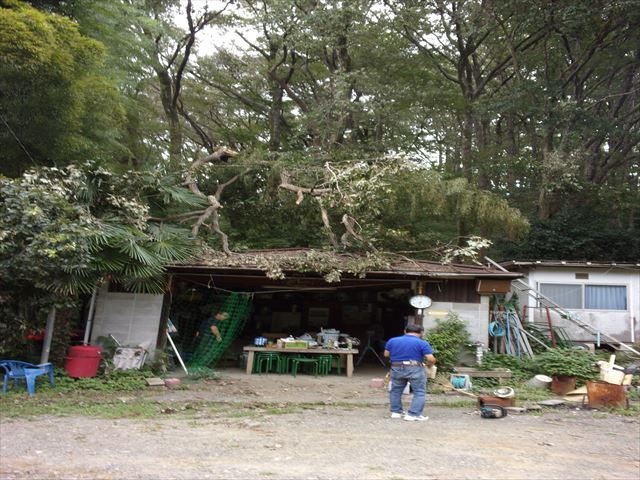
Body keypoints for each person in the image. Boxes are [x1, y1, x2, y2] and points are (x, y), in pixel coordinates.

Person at [383, 323, 436, 422]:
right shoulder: (422, 343)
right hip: (415, 367)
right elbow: (431, 359)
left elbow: (386, 354)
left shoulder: (393, 340)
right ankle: (413, 414)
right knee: (419, 392)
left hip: (396, 367)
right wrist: (429, 365)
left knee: (395, 390)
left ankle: (396, 412)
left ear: (405, 331)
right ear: (421, 333)